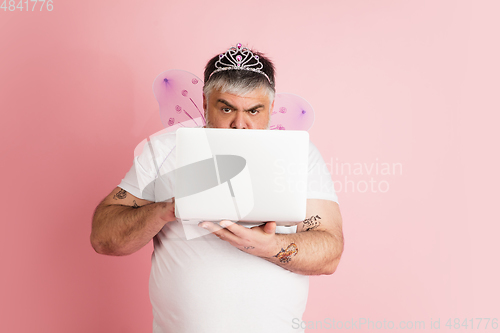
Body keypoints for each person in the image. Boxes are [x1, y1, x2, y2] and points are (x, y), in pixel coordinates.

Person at [91, 44, 344, 333]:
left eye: (254, 110)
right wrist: (167, 209)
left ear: (271, 108)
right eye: (226, 109)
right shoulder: (162, 151)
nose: (240, 125)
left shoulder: (301, 156)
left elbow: (330, 253)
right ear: (204, 101)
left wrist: (268, 247)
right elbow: (103, 239)